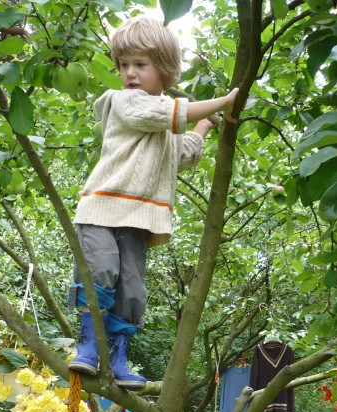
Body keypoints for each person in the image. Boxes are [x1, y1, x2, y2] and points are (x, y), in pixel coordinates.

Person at [69, 15, 239, 389]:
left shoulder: (164, 121)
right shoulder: (124, 102)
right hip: (101, 208)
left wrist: (205, 126)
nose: (129, 72)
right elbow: (165, 114)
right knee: (102, 271)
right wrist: (221, 102)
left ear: (165, 70)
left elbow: (182, 154)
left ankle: (117, 355)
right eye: (124, 65)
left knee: (131, 289)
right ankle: (88, 346)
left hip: (139, 219)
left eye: (140, 65)